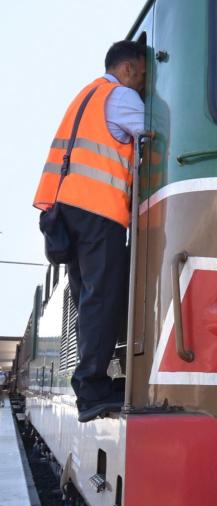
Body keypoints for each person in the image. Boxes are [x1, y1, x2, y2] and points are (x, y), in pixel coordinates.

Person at [33, 41, 146, 423]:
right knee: (103, 297)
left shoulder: (86, 96)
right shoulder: (122, 96)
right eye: (144, 74)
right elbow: (154, 135)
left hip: (65, 211)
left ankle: (91, 385)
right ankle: (92, 388)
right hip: (99, 209)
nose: (144, 83)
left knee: (87, 300)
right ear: (130, 68)